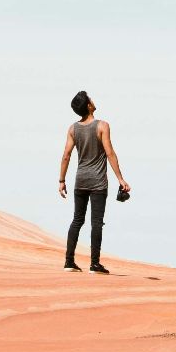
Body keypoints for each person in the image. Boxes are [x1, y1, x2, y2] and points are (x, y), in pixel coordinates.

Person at [57, 90, 129, 273]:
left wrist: (61, 180)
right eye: (91, 99)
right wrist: (120, 179)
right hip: (98, 182)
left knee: (77, 220)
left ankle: (68, 261)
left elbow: (66, 155)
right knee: (96, 222)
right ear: (88, 105)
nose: (93, 101)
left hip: (80, 181)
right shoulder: (102, 126)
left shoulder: (73, 129)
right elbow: (110, 153)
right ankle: (94, 264)